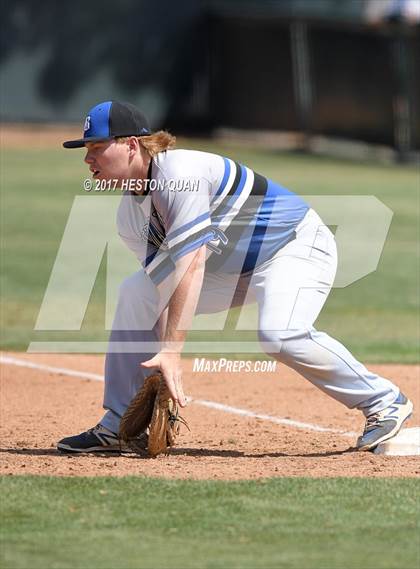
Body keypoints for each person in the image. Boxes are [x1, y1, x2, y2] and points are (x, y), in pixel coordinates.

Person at [57, 100, 412, 454]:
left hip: (294, 247)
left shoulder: (180, 175)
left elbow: (192, 264)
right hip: (231, 270)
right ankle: (119, 425)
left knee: (279, 334)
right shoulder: (129, 217)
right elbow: (165, 287)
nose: (88, 159)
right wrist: (158, 370)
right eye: (87, 150)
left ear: (131, 145)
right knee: (136, 291)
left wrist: (172, 351)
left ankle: (384, 402)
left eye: (97, 148)